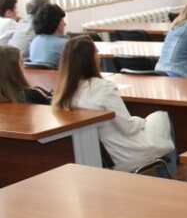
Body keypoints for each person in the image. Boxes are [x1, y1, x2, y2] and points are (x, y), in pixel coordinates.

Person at [52, 36, 176, 173]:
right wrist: (142, 121)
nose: (98, 56)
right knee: (161, 116)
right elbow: (128, 127)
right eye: (96, 52)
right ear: (89, 59)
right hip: (124, 152)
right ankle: (170, 176)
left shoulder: (63, 94)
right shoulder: (103, 88)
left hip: (100, 155)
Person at [27, 2, 68, 68]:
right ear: (56, 23)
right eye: (62, 20)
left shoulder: (35, 41)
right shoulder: (65, 44)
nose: (65, 24)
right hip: (58, 77)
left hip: (37, 77)